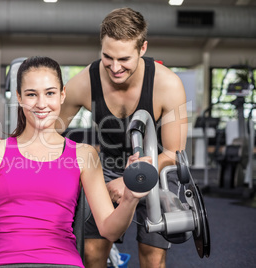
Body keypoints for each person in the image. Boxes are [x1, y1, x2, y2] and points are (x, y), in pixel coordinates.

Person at [0, 56, 151, 268]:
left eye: (49, 93)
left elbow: (109, 230)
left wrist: (130, 198)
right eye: (31, 94)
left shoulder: (84, 154)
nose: (41, 104)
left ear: (62, 95)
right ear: (19, 97)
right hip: (8, 263)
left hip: (63, 263)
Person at [56, 8, 188, 268]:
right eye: (107, 57)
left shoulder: (169, 85)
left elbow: (174, 153)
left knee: (153, 257)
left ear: (142, 48)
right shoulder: (84, 82)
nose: (115, 68)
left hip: (157, 168)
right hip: (107, 168)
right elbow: (49, 132)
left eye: (124, 59)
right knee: (92, 251)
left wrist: (130, 179)